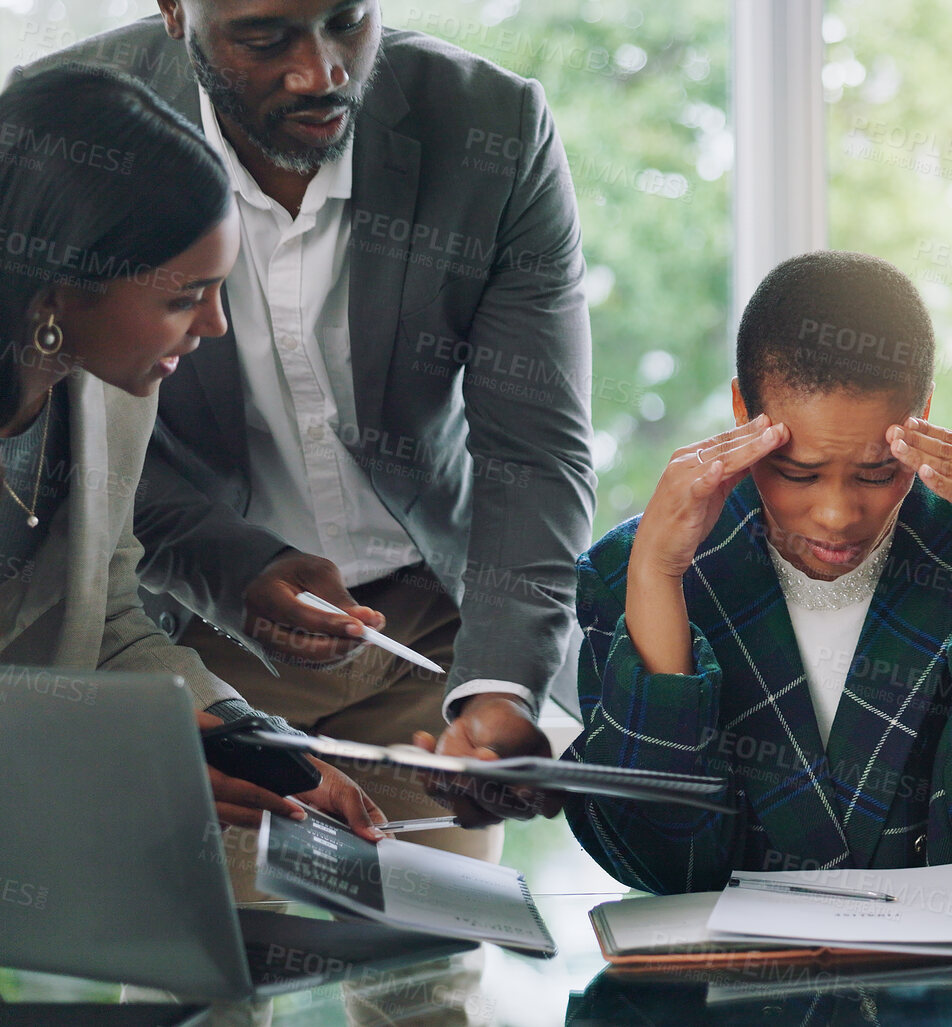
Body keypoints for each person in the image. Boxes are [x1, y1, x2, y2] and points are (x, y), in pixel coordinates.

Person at [26, 0, 596, 849]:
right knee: (215, 969)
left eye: (347, 20)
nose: (321, 71)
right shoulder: (73, 127)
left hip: (433, 633)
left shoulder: (494, 127)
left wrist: (502, 688)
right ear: (177, 10)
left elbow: (535, 450)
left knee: (429, 974)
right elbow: (76, 436)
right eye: (265, 36)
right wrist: (233, 568)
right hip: (195, 637)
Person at [565, 251, 952, 894]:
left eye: (878, 473)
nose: (837, 514)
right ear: (743, 410)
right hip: (720, 986)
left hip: (946, 987)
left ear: (923, 414)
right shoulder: (630, 572)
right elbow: (657, 857)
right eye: (799, 472)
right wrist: (656, 573)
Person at [0, 65, 383, 842]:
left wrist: (254, 740)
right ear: (58, 291)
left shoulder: (111, 391)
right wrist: (125, 759)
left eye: (219, 290)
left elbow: (106, 621)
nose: (212, 326)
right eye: (183, 298)